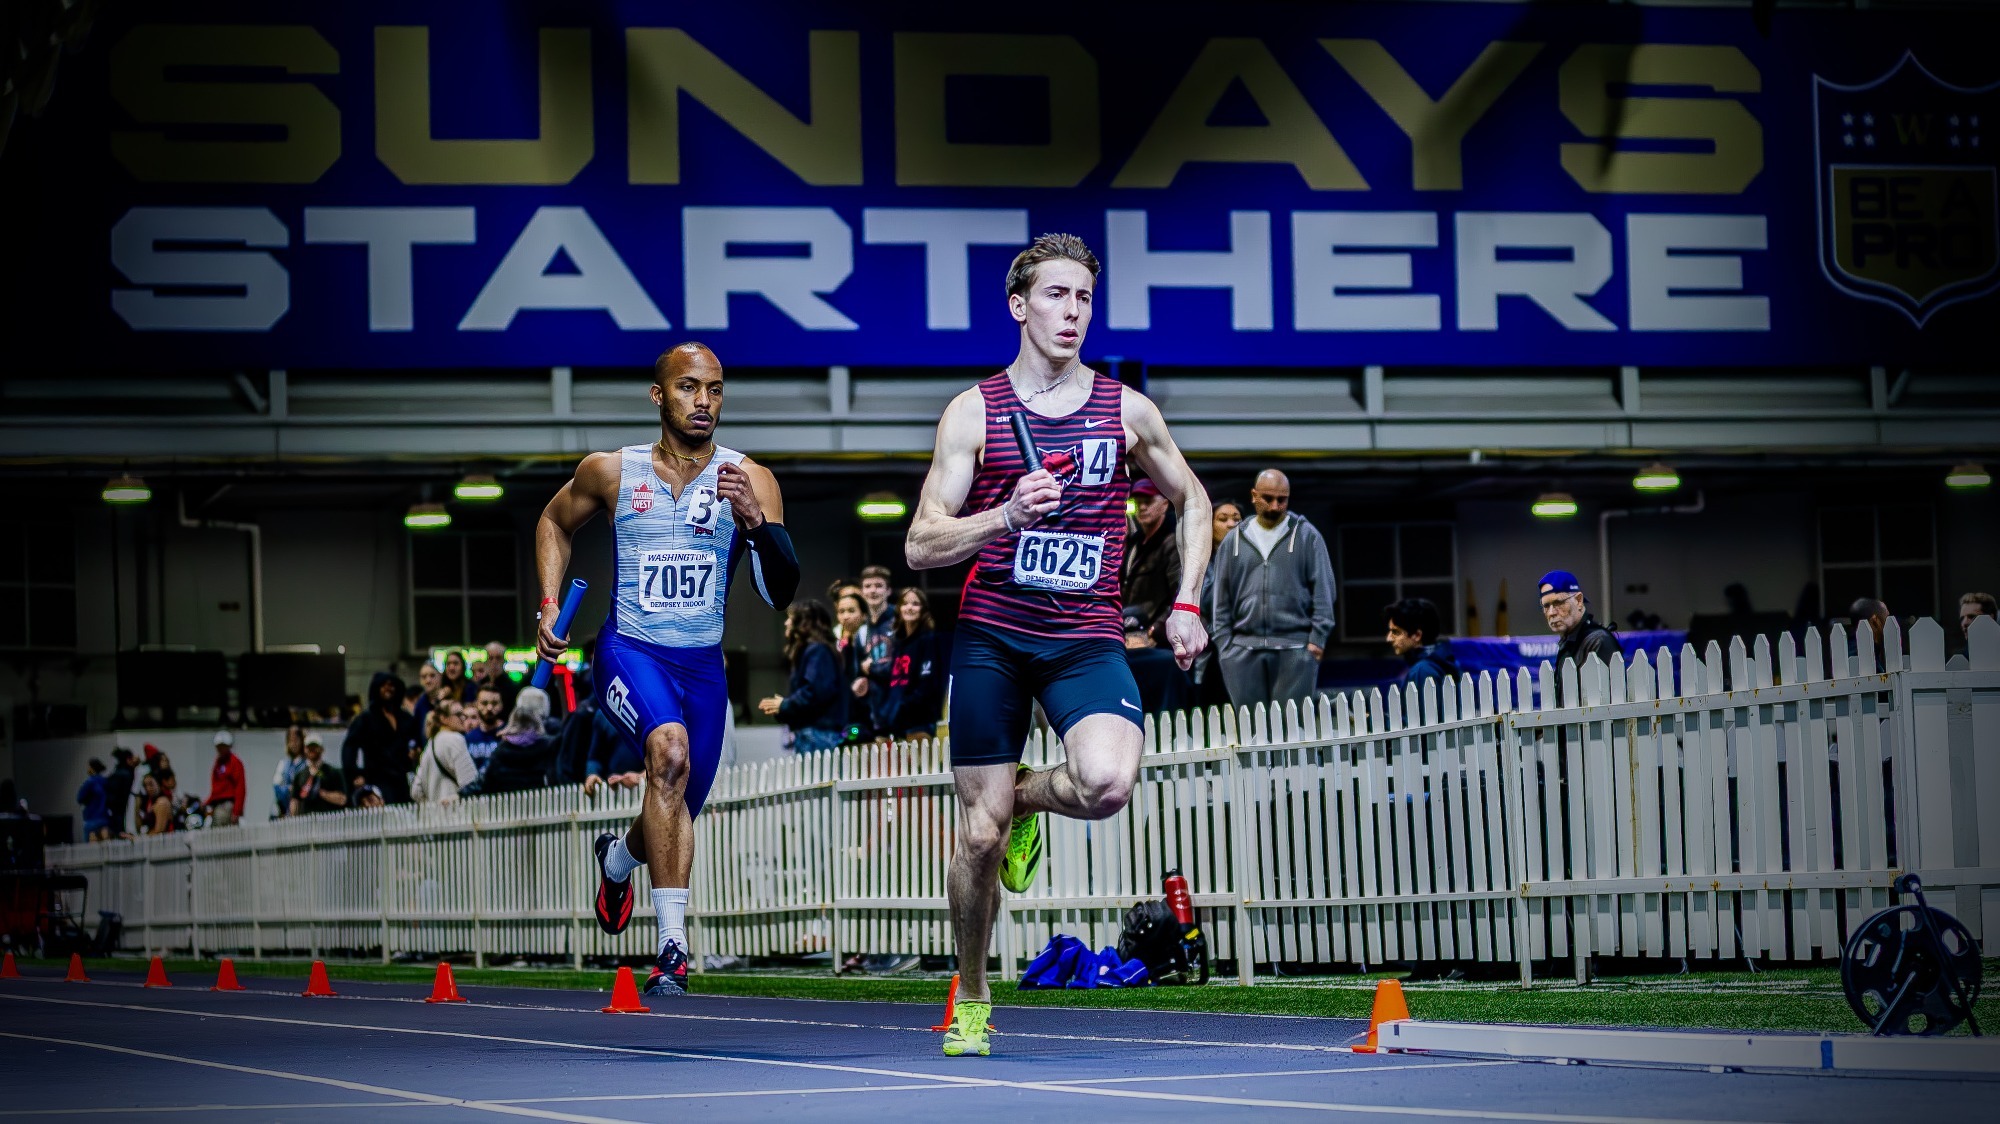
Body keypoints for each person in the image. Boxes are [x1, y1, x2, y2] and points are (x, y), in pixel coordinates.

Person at [904, 232, 1210, 1057]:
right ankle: (971, 996)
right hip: (994, 634)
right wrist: (1004, 516)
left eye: (1083, 298)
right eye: (1055, 296)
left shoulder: (1126, 410)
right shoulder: (974, 413)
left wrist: (1185, 601)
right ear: (1019, 306)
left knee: (1110, 782)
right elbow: (920, 545)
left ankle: (1025, 801)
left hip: (1083, 633)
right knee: (977, 835)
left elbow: (1192, 500)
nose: (1071, 312)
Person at [537, 340, 798, 998]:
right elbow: (553, 522)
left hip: (704, 669)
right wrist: (548, 603)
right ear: (659, 395)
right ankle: (674, 949)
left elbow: (779, 593)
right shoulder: (612, 471)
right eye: (687, 388)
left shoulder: (751, 478)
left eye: (713, 389)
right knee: (669, 754)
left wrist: (756, 523)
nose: (702, 400)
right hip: (630, 649)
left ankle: (618, 859)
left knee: (675, 797)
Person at [1209, 469, 1337, 709]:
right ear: (1253, 495)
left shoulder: (1307, 536)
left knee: (1293, 732)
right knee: (1251, 734)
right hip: (1242, 650)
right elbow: (1220, 598)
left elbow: (1324, 590)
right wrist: (1226, 646)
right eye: (1268, 498)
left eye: (1282, 499)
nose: (1276, 506)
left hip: (1296, 647)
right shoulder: (1233, 540)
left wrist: (1316, 641)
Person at [760, 600, 847, 752]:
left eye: (791, 619)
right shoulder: (814, 651)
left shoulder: (817, 651)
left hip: (817, 735)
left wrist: (785, 705)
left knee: (819, 776)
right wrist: (784, 707)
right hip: (814, 734)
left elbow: (815, 692)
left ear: (804, 623)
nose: (786, 623)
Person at [1191, 498, 1243, 710]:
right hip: (1211, 649)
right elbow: (1206, 601)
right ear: (1209, 526)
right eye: (1223, 519)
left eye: (1237, 519)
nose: (1231, 524)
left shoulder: (1253, 559)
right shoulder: (1198, 561)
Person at [1120, 477, 1181, 639]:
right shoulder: (1134, 543)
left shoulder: (1172, 544)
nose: (1142, 507)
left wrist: (1156, 629)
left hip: (1156, 636)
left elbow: (1180, 593)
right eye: (1138, 503)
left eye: (1148, 501)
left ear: (1164, 505)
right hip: (1131, 630)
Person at [880, 587, 944, 739]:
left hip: (919, 722)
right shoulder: (898, 644)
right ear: (899, 609)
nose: (909, 607)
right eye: (905, 603)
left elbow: (927, 684)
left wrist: (901, 707)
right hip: (897, 723)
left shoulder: (929, 640)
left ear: (923, 610)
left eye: (915, 604)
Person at [1540, 570, 1622, 681]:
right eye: (1546, 606)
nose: (1551, 612)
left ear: (1578, 600)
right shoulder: (1569, 641)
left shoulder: (1598, 641)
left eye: (1558, 603)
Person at [475, 687, 560, 793]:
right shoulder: (553, 744)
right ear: (545, 709)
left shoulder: (502, 748)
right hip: (543, 803)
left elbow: (485, 783)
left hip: (508, 804)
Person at [1384, 597, 1460, 697]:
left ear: (1417, 635)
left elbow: (1421, 712)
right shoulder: (1444, 660)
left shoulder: (1422, 670)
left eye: (1396, 632)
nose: (1389, 638)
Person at [1123, 608, 1193, 716]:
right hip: (1171, 727)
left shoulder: (1112, 665)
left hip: (1129, 728)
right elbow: (1188, 694)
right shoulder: (1171, 660)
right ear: (1150, 631)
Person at [411, 698, 478, 804]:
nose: (463, 719)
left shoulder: (430, 743)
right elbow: (470, 783)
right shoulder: (456, 739)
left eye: (463, 715)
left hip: (434, 815)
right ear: (443, 718)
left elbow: (416, 791)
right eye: (458, 714)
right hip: (457, 814)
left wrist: (432, 804)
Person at [835, 592, 878, 742]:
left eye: (851, 611)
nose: (845, 616)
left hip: (873, 720)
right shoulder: (842, 646)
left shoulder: (875, 642)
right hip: (850, 719)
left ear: (864, 614)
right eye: (841, 612)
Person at [291, 733, 348, 815]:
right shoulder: (300, 775)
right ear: (304, 749)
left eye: (315, 747)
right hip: (306, 822)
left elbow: (342, 799)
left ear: (321, 749)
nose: (312, 750)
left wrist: (321, 793)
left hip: (328, 820)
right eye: (309, 747)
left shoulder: (333, 772)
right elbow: (295, 801)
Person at [205, 730, 247, 827]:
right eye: (219, 746)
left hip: (227, 805)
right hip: (216, 805)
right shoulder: (218, 763)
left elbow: (240, 788)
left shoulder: (235, 762)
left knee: (220, 827)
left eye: (223, 746)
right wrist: (207, 802)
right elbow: (215, 789)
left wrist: (237, 811)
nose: (221, 749)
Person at [475, 640, 522, 715]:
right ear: (486, 660)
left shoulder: (512, 687)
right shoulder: (480, 684)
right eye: (491, 658)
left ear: (503, 660)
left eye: (498, 658)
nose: (494, 662)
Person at [464, 686, 505, 770]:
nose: (489, 708)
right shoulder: (469, 738)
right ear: (476, 704)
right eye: (484, 703)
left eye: (494, 703)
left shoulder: (509, 735)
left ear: (501, 705)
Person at [273, 727, 306, 818]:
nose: (293, 744)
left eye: (296, 740)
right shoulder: (283, 764)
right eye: (290, 740)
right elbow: (276, 786)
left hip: (302, 810)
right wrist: (288, 789)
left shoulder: (307, 764)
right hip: (285, 809)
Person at [76, 759, 111, 842]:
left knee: (91, 848)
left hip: (91, 818)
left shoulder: (89, 782)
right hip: (104, 817)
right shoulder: (106, 782)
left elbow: (79, 798)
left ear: (92, 768)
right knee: (106, 844)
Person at [105, 748, 136, 837]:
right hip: (121, 811)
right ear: (128, 759)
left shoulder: (116, 773)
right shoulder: (127, 774)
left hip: (116, 812)